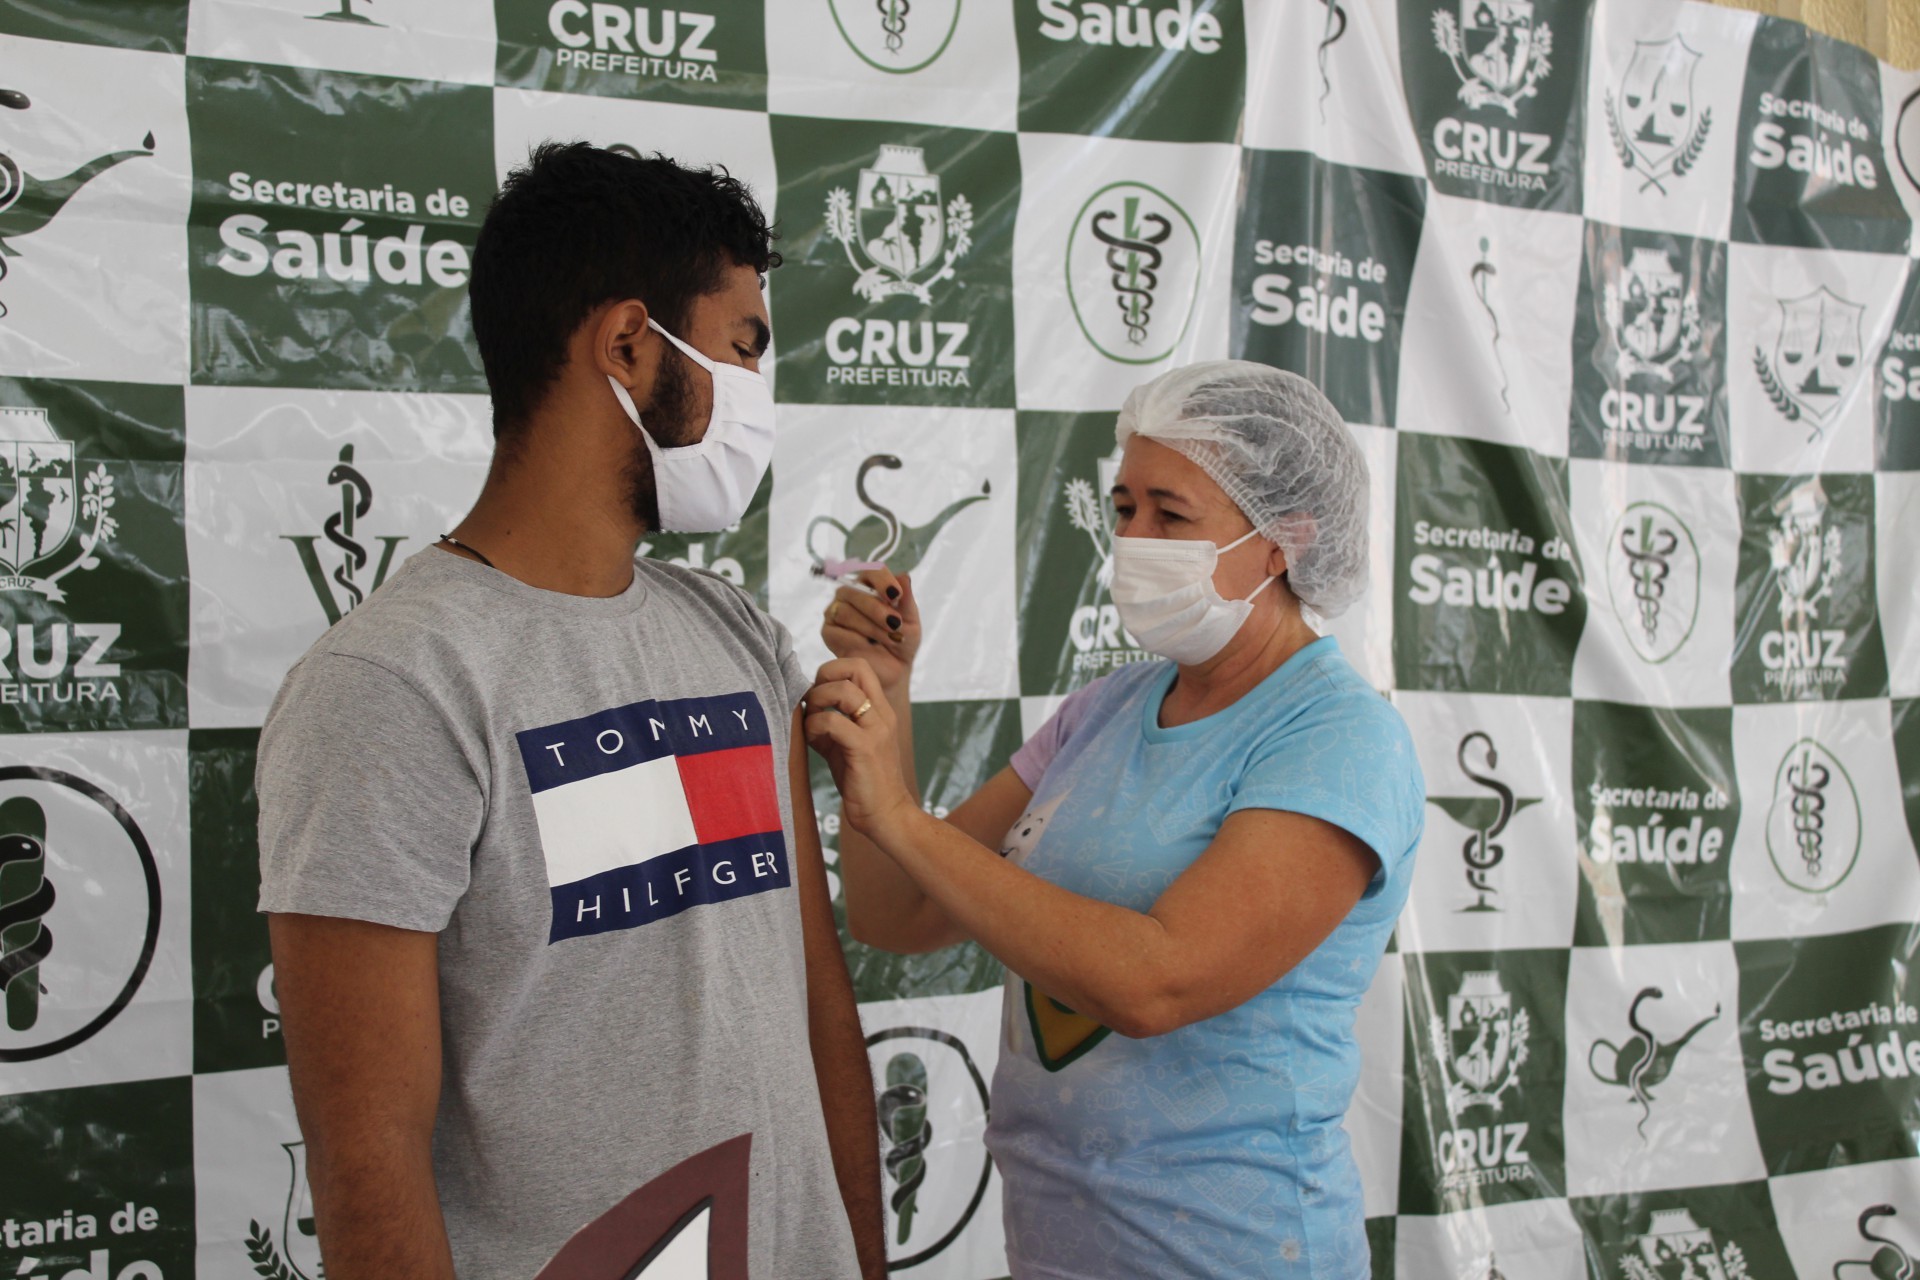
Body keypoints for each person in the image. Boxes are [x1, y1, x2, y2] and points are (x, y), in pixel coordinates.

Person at [256, 143, 883, 1280]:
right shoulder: (391, 684)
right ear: (630, 344)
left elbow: (816, 1003)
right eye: (746, 346)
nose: (759, 394)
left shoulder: (738, 635)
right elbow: (367, 1165)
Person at [806, 362, 1424, 1279]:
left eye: (1171, 515)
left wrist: (899, 814)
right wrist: (889, 698)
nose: (1133, 540)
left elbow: (1155, 984)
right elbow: (900, 913)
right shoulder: (1105, 708)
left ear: (1284, 542)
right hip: (1056, 1248)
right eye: (1125, 507)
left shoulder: (1339, 736)